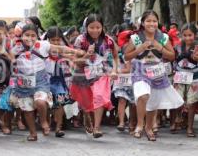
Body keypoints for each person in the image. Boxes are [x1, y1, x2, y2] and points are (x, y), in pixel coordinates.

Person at [10, 24, 84, 141]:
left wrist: (75, 51)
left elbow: (60, 49)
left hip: (40, 81)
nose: (30, 38)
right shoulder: (16, 47)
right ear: (22, 36)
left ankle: (44, 120)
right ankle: (33, 133)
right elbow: (8, 58)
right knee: (27, 110)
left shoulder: (42, 45)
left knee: (40, 102)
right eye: (27, 35)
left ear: (37, 36)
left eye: (33, 35)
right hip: (23, 83)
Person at [124, 10, 184, 141]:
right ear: (143, 23)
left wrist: (159, 47)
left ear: (158, 22)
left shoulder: (163, 37)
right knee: (143, 95)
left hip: (157, 72)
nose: (151, 23)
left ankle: (149, 127)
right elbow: (126, 55)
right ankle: (140, 125)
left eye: (154, 21)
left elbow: (172, 55)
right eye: (148, 21)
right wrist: (139, 49)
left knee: (153, 101)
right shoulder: (136, 38)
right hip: (140, 71)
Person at [70, 13, 119, 138]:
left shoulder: (108, 40)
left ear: (102, 27)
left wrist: (114, 70)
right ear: (86, 27)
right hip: (83, 75)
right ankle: (87, 116)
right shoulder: (80, 40)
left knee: (99, 97)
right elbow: (75, 60)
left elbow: (115, 56)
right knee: (87, 102)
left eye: (98, 27)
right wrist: (87, 55)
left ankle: (97, 127)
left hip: (102, 73)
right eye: (92, 27)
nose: (95, 30)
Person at [172, 23, 198, 137]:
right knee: (178, 98)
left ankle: (190, 127)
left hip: (194, 77)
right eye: (185, 35)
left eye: (190, 35)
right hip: (179, 76)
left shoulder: (197, 46)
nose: (188, 38)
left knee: (192, 102)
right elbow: (173, 59)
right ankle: (178, 116)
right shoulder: (177, 46)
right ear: (181, 35)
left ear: (195, 35)